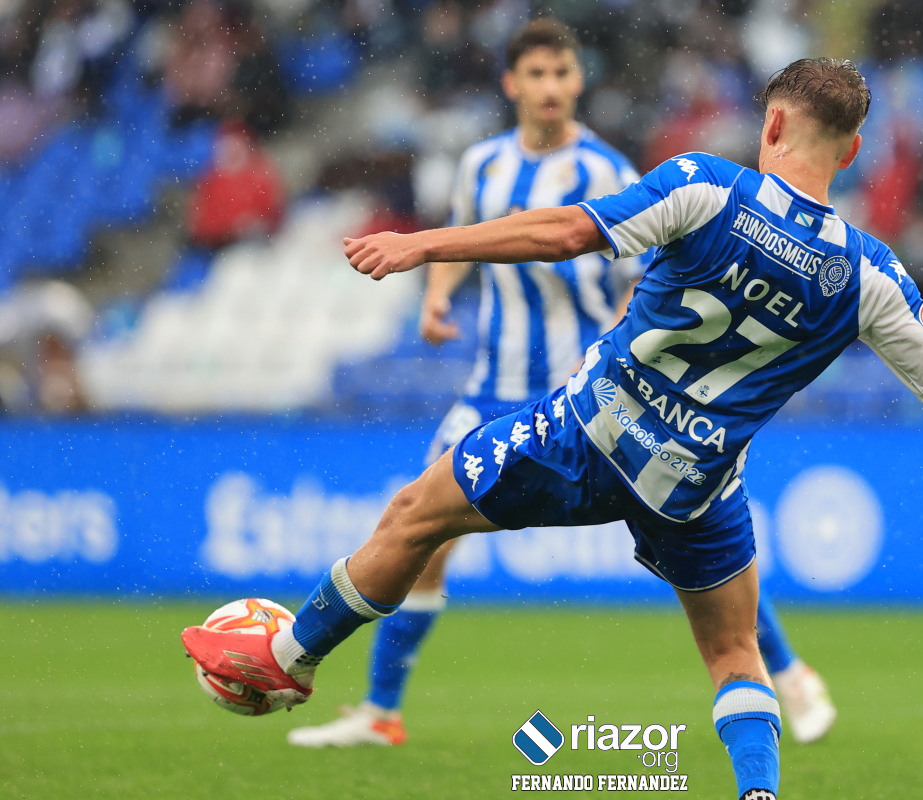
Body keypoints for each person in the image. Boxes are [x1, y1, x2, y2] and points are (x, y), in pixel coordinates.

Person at [184, 58, 923, 800]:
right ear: (851, 153)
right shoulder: (870, 274)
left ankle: (290, 659)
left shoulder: (706, 186)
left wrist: (423, 244)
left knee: (413, 517)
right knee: (734, 656)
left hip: (582, 434)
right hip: (694, 486)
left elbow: (564, 233)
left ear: (772, 125)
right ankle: (757, 793)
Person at [284, 18, 835, 751]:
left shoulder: (604, 169)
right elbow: (462, 235)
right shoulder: (481, 164)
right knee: (420, 529)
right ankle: (381, 712)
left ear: (578, 81)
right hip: (494, 385)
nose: (550, 87)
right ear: (511, 84)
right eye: (536, 74)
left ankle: (787, 670)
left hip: (592, 399)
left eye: (562, 73)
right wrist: (437, 298)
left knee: (697, 548)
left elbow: (647, 276)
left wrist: (615, 345)